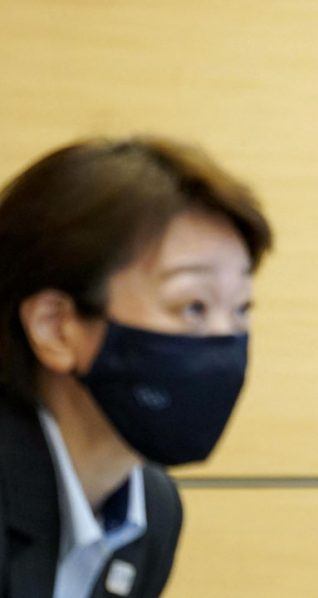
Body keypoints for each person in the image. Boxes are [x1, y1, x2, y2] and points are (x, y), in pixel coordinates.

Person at [0, 136, 272, 597]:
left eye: (241, 308)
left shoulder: (152, 509)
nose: (225, 338)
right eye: (193, 307)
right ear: (56, 327)